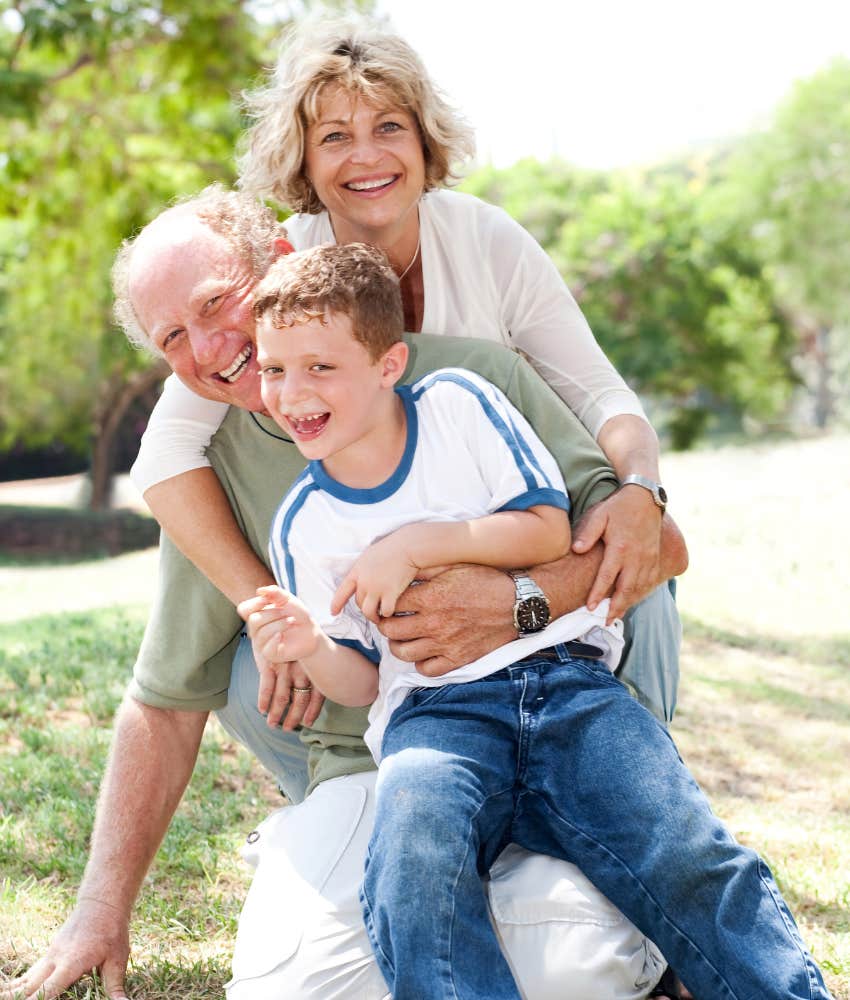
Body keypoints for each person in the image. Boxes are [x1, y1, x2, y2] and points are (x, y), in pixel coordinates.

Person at [2, 188, 690, 1000]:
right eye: (173, 338)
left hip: (543, 733)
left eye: (218, 303)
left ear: (283, 265)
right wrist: (97, 913)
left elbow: (656, 549)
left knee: (575, 973)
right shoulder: (210, 467)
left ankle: (637, 903)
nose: (210, 345)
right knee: (286, 993)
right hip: (367, 770)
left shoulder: (468, 381)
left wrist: (509, 601)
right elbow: (163, 698)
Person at [247, 241, 833, 1000]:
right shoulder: (304, 525)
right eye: (273, 369)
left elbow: (547, 528)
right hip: (434, 718)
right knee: (412, 870)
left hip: (567, 685)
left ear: (388, 365)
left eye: (320, 366)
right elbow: (360, 680)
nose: (292, 392)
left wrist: (418, 544)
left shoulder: (459, 405)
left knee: (685, 851)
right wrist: (309, 646)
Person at [130, 15, 681, 730]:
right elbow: (165, 454)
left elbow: (600, 395)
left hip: (504, 539)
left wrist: (641, 486)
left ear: (424, 141)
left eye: (389, 127)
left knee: (641, 559)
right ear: (302, 161)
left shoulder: (487, 243)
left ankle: (642, 761)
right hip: (377, 603)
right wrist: (269, 606)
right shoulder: (279, 276)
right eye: (333, 137)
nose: (366, 157)